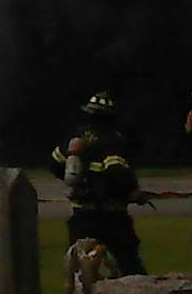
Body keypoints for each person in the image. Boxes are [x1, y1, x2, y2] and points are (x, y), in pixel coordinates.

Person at [50, 92, 146, 275]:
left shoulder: (76, 137)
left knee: (80, 271)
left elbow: (54, 164)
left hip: (81, 217)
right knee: (130, 268)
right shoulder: (113, 139)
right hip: (112, 218)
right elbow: (118, 174)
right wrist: (134, 192)